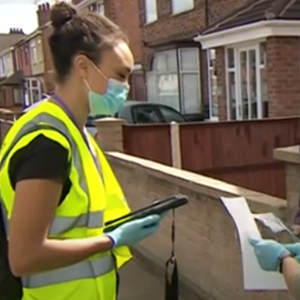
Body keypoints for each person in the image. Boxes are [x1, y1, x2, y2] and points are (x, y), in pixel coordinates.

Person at [0, 2, 163, 300]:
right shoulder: (48, 142)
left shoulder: (73, 132)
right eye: (120, 75)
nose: (125, 87)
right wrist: (111, 241)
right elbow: (24, 256)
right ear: (84, 67)